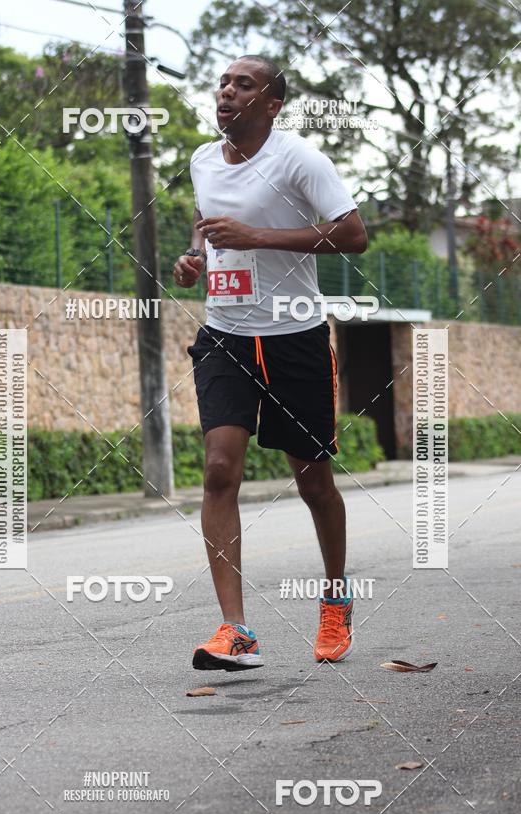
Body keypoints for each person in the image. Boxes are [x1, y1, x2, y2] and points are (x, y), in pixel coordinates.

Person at [172, 55, 368, 672]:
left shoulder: (298, 160)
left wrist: (258, 236)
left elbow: (354, 233)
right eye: (223, 82)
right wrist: (194, 255)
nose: (227, 91)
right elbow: (205, 225)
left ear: (272, 105)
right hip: (227, 337)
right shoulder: (203, 159)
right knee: (218, 470)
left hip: (294, 337)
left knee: (313, 482)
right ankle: (236, 629)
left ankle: (335, 599)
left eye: (244, 85)